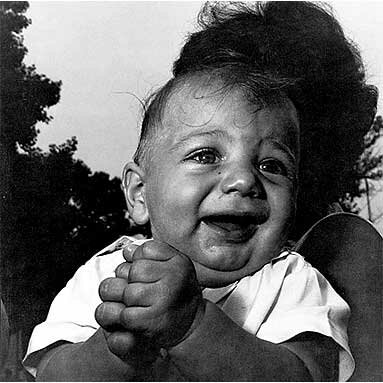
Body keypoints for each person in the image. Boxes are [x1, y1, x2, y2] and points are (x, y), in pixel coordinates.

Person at [23, 2, 377, 381]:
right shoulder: (108, 271)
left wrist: (194, 328)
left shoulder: (293, 280)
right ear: (140, 193)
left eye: (272, 164)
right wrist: (115, 351)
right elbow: (51, 374)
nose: (243, 180)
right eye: (206, 155)